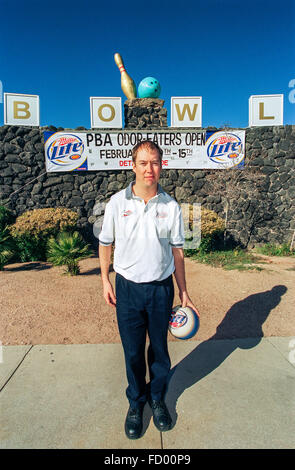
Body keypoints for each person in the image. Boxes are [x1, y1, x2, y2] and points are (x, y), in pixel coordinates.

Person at [98, 140, 199, 439]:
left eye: (154, 162)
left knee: (158, 351)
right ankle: (135, 403)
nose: (149, 169)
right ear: (133, 166)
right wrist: (105, 279)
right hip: (127, 289)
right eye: (143, 163)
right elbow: (105, 243)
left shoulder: (171, 206)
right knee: (132, 352)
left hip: (160, 290)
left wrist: (184, 293)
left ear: (161, 165)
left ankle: (157, 399)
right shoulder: (117, 203)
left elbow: (178, 252)